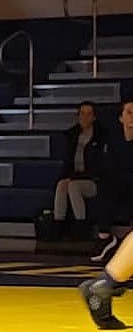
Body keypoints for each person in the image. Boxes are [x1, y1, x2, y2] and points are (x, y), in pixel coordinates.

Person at [49, 101, 102, 239]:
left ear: (94, 117)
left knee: (73, 186)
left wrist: (74, 177)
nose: (85, 117)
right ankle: (58, 227)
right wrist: (66, 176)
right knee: (62, 185)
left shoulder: (100, 137)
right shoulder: (71, 135)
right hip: (75, 176)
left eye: (89, 114)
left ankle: (81, 228)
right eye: (82, 114)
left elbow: (98, 167)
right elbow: (67, 162)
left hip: (94, 180)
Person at [88, 100, 133, 263]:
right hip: (119, 185)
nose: (132, 117)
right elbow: (106, 168)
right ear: (121, 118)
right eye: (129, 112)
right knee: (106, 187)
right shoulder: (112, 141)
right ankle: (105, 237)